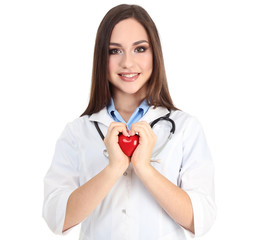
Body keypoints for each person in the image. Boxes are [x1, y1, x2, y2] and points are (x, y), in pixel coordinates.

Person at [43, 4, 216, 239]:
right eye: (115, 51)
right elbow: (57, 218)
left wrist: (144, 168)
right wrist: (114, 168)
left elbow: (200, 219)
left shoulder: (186, 128)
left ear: (155, 54)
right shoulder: (77, 132)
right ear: (101, 58)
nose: (127, 63)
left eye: (139, 49)